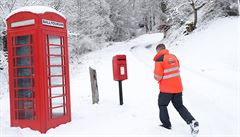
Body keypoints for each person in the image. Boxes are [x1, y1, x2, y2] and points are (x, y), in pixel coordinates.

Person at [153, 43, 199, 134]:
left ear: (158, 50)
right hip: (178, 87)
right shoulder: (173, 57)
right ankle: (192, 121)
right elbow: (177, 67)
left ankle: (166, 124)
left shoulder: (159, 59)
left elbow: (158, 76)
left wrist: (155, 76)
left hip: (166, 89)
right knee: (179, 106)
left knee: (162, 105)